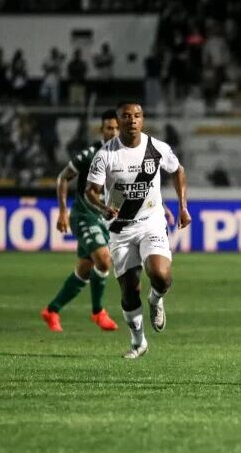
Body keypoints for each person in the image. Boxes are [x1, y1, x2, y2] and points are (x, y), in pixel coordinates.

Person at [85, 102, 191, 359]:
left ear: (143, 120)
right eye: (126, 116)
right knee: (130, 290)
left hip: (150, 222)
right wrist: (102, 207)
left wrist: (182, 207)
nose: (132, 120)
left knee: (161, 274)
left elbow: (178, 171)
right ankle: (138, 342)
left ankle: (156, 299)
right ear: (118, 121)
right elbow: (91, 192)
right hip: (120, 230)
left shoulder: (157, 148)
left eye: (137, 116)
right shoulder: (106, 155)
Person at [40, 110, 120, 332]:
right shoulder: (91, 154)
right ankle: (98, 312)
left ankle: (52, 310)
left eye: (116, 128)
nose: (113, 132)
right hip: (84, 215)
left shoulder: (124, 157)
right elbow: (63, 177)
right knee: (104, 260)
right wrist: (63, 212)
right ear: (101, 130)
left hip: (104, 218)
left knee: (85, 269)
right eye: (109, 128)